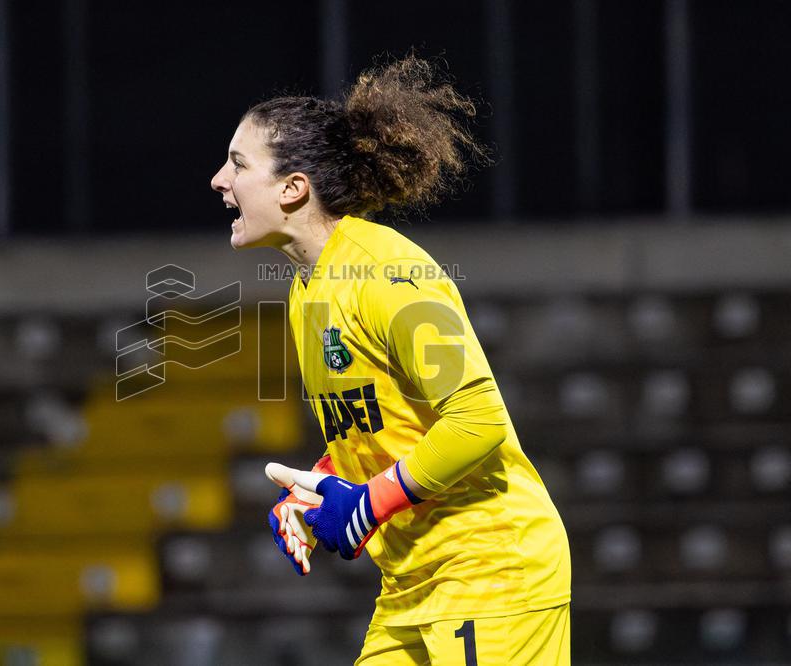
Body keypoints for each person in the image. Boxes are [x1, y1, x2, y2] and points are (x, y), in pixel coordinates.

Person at [210, 55, 571, 665]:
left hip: (493, 572)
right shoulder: (307, 289)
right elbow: (374, 425)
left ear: (294, 188)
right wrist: (321, 488)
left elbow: (477, 420)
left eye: (238, 164)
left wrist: (370, 504)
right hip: (410, 583)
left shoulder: (389, 274)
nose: (220, 180)